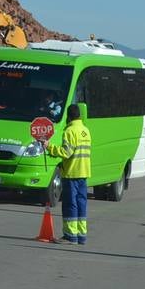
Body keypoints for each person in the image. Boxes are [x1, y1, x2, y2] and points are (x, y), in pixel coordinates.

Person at [47, 103, 92, 244]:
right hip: (83, 172)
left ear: (68, 116)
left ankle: (70, 235)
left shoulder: (69, 131)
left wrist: (50, 148)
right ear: (79, 115)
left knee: (70, 204)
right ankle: (81, 235)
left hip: (72, 172)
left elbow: (66, 152)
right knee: (81, 203)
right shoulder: (85, 130)